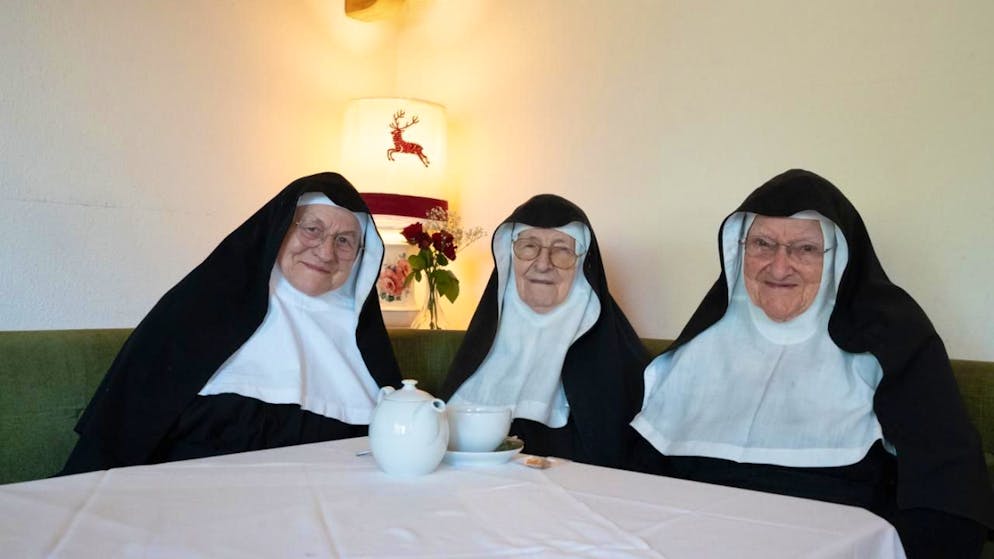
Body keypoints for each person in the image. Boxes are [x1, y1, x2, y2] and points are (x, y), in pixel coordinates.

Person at [631, 169, 994, 557]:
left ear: (839, 257)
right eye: (763, 244)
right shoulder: (703, 344)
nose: (779, 267)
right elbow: (639, 481)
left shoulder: (893, 337)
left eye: (805, 249)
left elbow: (945, 494)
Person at [60, 172, 402, 474]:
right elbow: (123, 431)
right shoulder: (200, 308)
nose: (326, 252)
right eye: (313, 229)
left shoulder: (361, 342)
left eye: (344, 241)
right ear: (281, 228)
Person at [440, 194, 647, 468]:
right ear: (509, 256)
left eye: (562, 250)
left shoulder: (617, 356)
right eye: (529, 246)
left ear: (582, 263)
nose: (542, 263)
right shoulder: (484, 342)